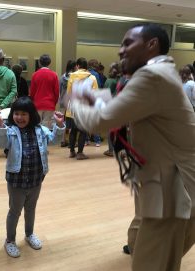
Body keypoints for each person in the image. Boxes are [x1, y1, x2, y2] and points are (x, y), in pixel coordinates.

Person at [71, 23, 195, 271]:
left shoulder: (153, 76)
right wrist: (99, 96)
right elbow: (122, 106)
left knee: (150, 264)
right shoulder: (159, 72)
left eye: (128, 43)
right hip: (172, 183)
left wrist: (74, 99)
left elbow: (100, 120)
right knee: (155, 256)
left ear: (151, 45)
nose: (120, 50)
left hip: (174, 191)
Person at [0, 96, 65, 258]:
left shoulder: (40, 130)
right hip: (16, 181)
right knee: (15, 211)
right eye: (16, 113)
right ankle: (10, 240)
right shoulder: (11, 131)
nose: (20, 117)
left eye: (24, 114)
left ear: (32, 115)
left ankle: (29, 234)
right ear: (12, 115)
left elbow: (55, 140)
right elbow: (0, 142)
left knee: (31, 208)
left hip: (36, 179)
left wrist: (59, 125)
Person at [66, 57, 98, 160]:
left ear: (78, 66)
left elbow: (69, 92)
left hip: (73, 107)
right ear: (86, 67)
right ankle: (80, 153)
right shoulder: (92, 77)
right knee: (83, 131)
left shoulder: (72, 77)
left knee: (73, 130)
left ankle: (71, 152)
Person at [30, 54, 59, 130]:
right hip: (50, 105)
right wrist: (53, 103)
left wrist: (33, 102)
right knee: (48, 130)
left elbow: (32, 92)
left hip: (37, 104)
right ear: (49, 63)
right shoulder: (54, 75)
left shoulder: (35, 75)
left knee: (37, 128)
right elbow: (56, 92)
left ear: (39, 62)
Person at [59, 60, 77, 147]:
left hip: (63, 101)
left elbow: (59, 89)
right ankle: (71, 141)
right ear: (74, 67)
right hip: (72, 101)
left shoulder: (63, 77)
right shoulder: (75, 77)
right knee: (71, 121)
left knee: (63, 121)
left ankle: (63, 140)